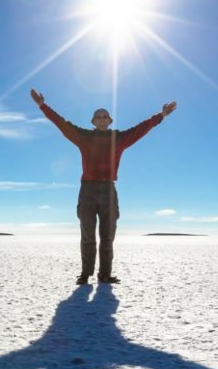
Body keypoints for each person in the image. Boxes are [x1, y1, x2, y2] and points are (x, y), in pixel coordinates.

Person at [30, 88, 177, 285]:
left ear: (110, 121)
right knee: (88, 235)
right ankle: (85, 274)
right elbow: (61, 123)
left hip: (109, 190)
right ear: (93, 122)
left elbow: (141, 128)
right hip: (88, 190)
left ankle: (105, 275)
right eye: (98, 117)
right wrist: (42, 106)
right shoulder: (83, 137)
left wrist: (161, 116)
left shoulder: (120, 138)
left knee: (107, 236)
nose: (101, 119)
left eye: (105, 116)